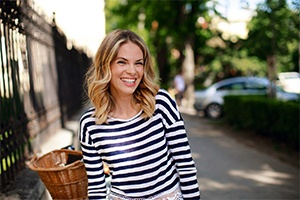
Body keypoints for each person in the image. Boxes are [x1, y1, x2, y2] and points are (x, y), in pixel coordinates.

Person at [79, 29, 201, 200]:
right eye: (122, 62)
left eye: (138, 63)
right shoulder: (90, 124)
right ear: (105, 66)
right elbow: (97, 189)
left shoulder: (161, 104)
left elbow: (186, 166)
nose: (133, 71)